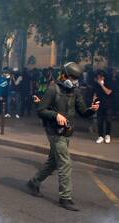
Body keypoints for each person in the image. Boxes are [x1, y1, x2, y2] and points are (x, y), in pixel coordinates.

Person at [27, 62, 99, 211]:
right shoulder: (52, 90)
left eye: (76, 78)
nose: (74, 80)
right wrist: (56, 115)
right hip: (54, 132)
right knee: (65, 162)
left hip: (67, 132)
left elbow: (83, 112)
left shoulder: (75, 92)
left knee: (53, 162)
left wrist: (92, 110)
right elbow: (41, 110)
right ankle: (65, 198)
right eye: (72, 77)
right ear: (64, 75)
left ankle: (34, 182)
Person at [93, 70, 114, 144]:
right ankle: (100, 136)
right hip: (99, 105)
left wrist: (102, 85)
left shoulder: (109, 83)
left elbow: (108, 92)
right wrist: (94, 103)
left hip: (108, 105)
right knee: (100, 121)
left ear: (103, 77)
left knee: (108, 120)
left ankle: (107, 135)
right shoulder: (96, 84)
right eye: (98, 77)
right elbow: (95, 94)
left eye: (100, 77)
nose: (98, 78)